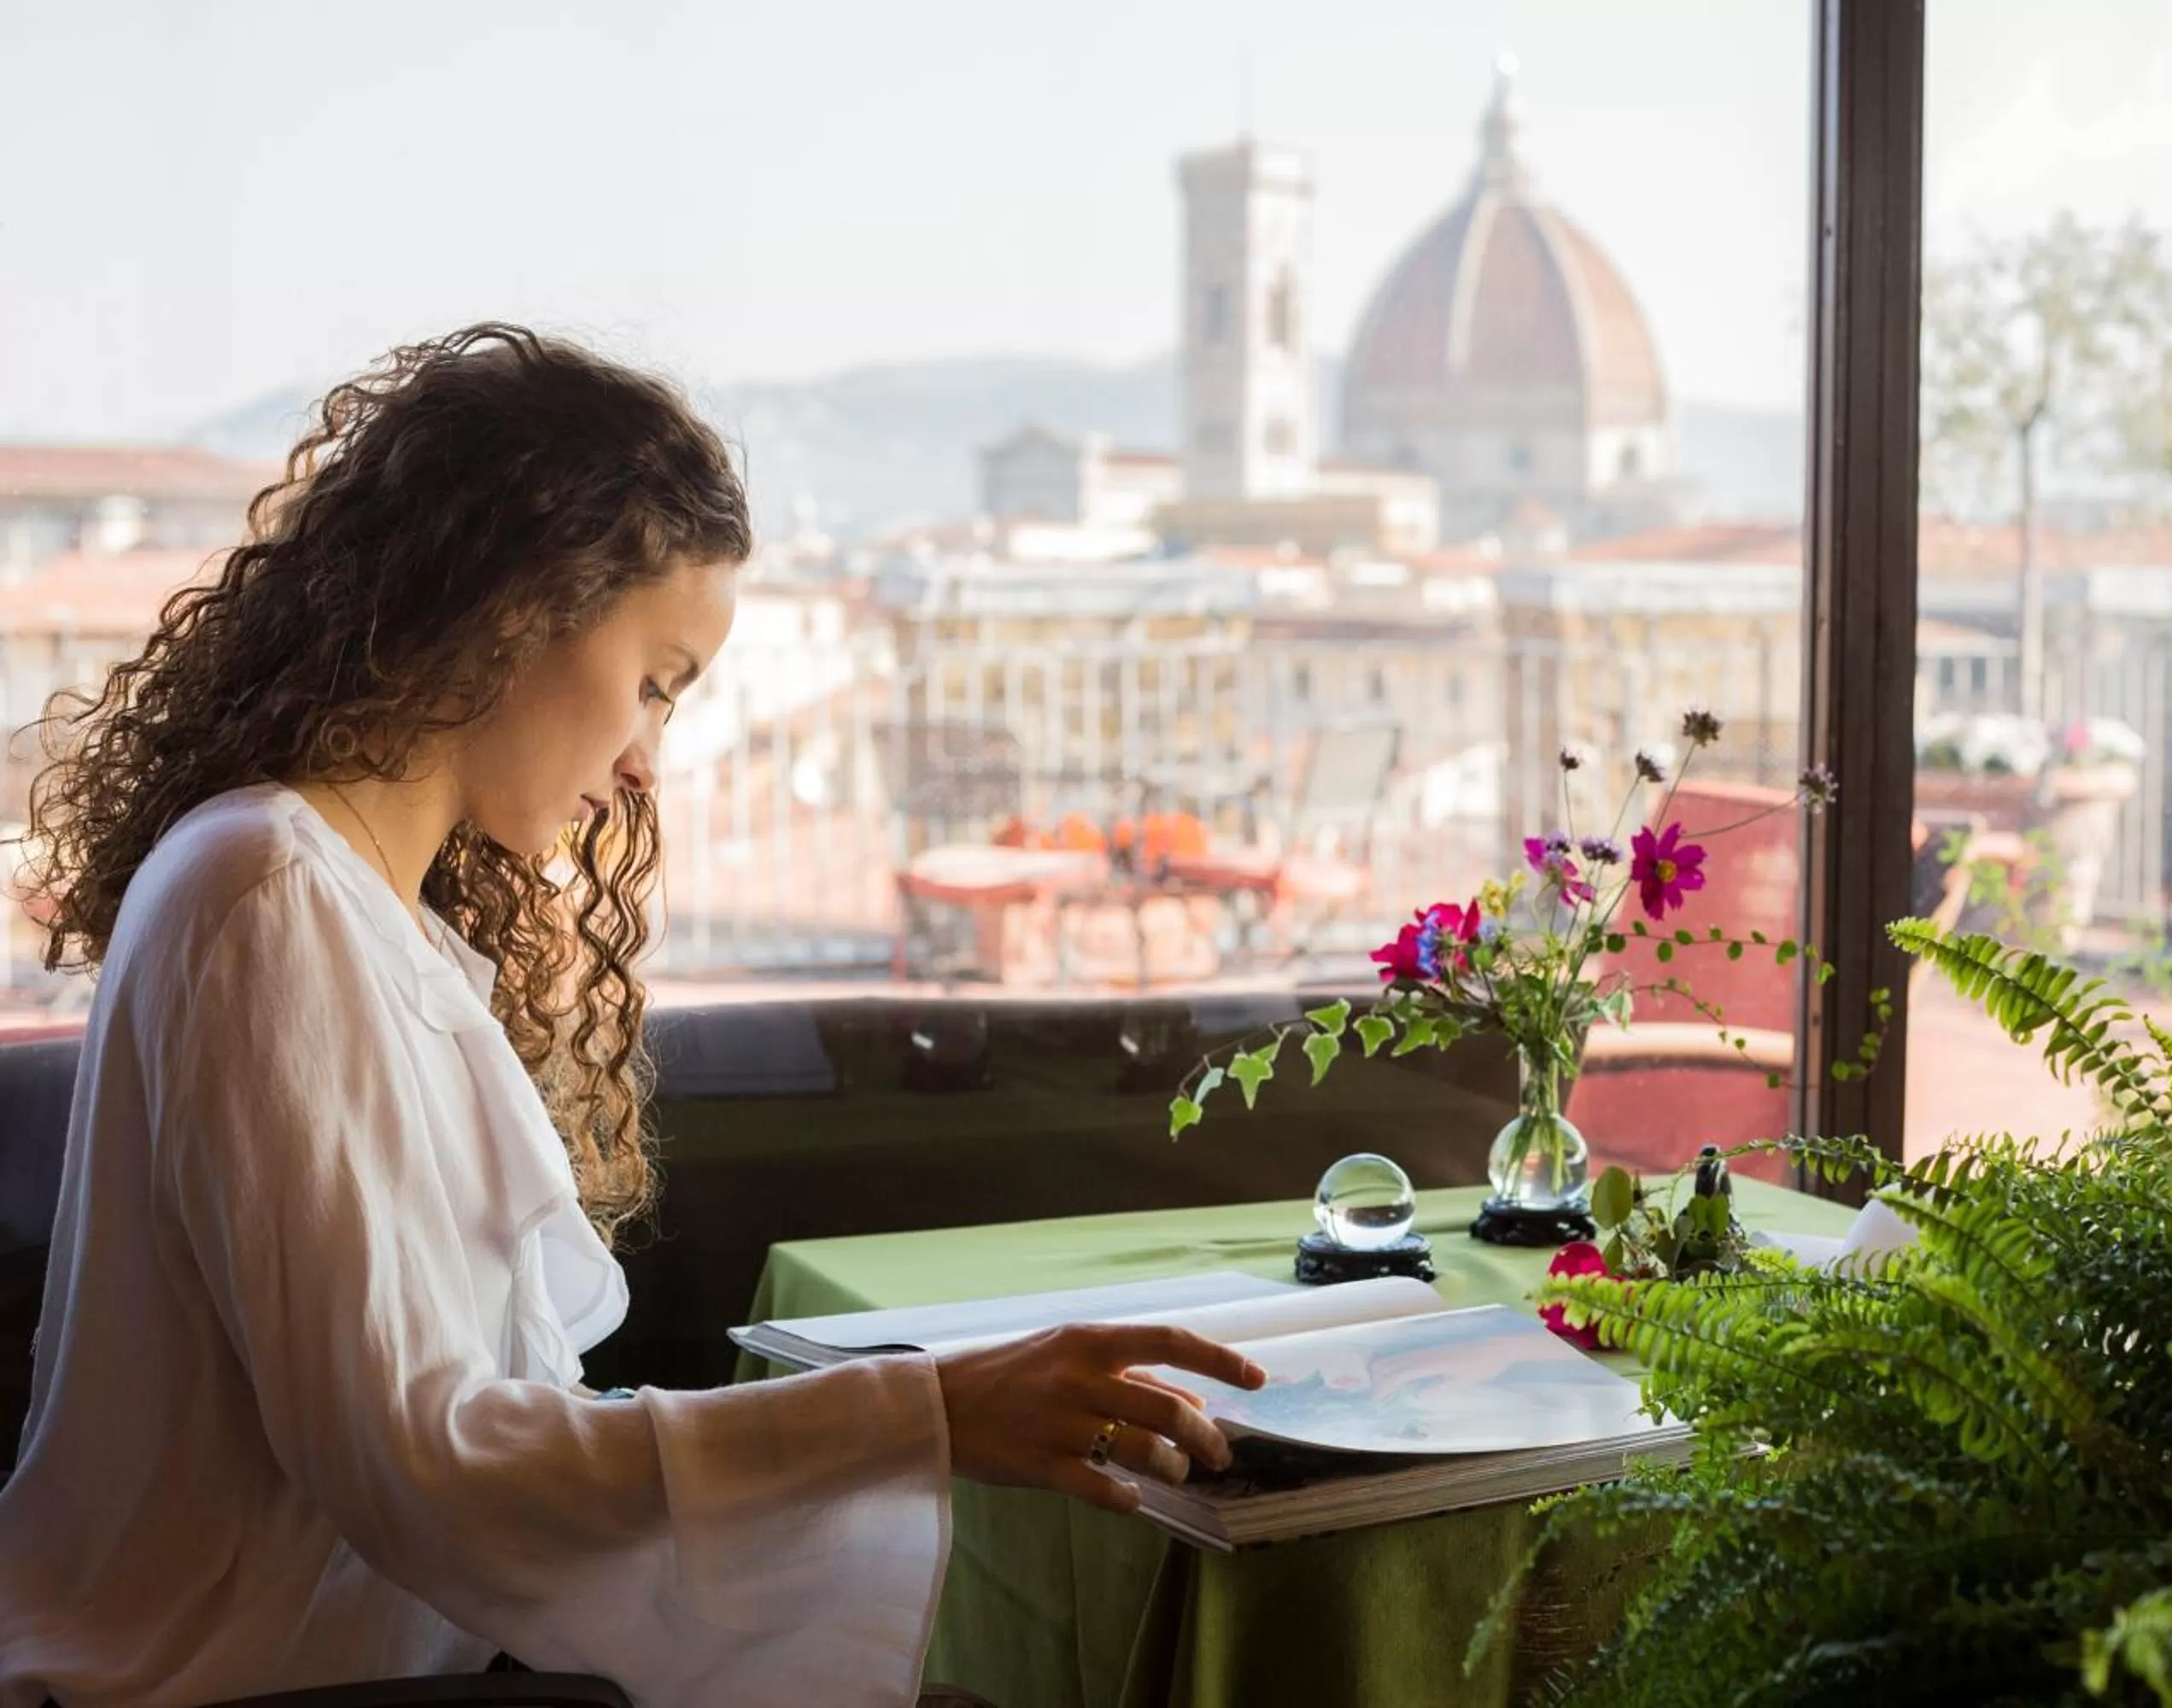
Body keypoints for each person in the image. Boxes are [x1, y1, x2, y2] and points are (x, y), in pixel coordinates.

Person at [0, 323, 1264, 1708]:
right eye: (655, 683)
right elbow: (425, 1463)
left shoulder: (366, 916)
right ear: (514, 601)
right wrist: (927, 1412)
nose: (648, 763)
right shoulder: (267, 893)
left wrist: (914, 1417)